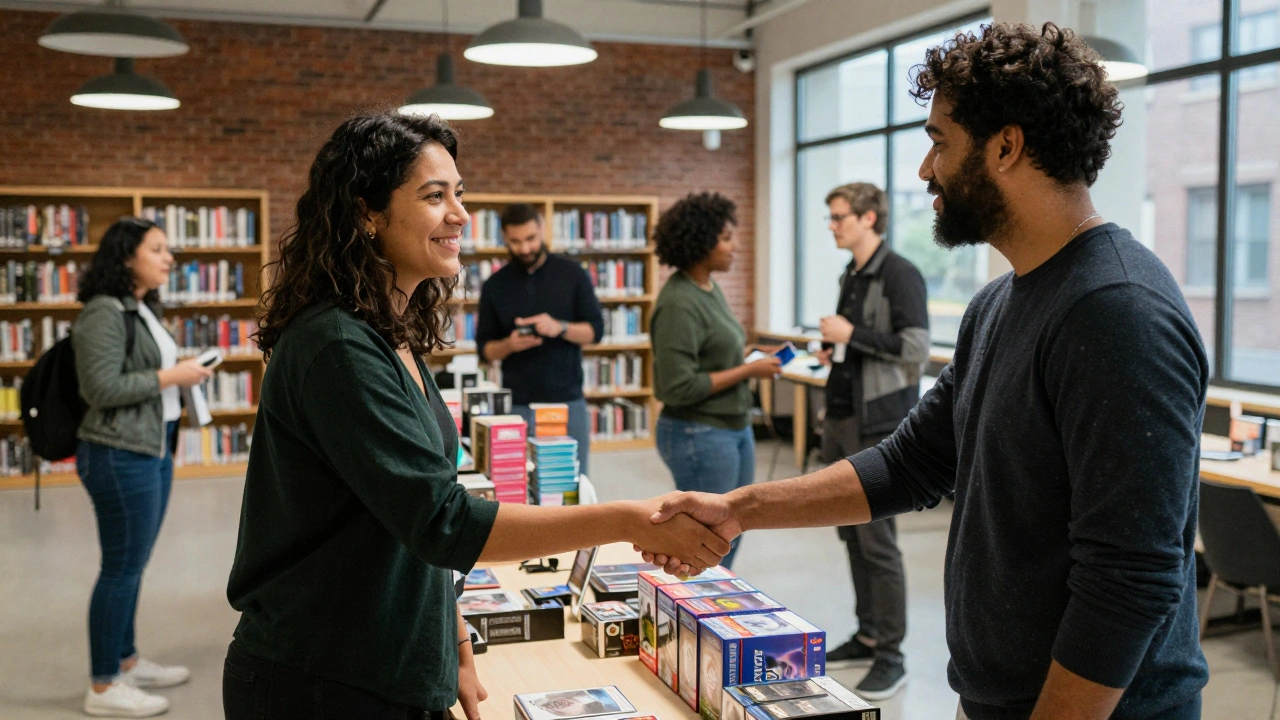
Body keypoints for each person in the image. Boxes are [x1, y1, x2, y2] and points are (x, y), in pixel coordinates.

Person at [641, 23, 1210, 720]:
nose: (923, 169)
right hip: (1000, 695)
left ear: (1007, 146)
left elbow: (1130, 582)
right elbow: (913, 463)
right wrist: (740, 510)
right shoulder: (999, 301)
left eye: (940, 141)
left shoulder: (1117, 311)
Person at [223, 111, 728, 720]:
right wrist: (629, 520)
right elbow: (442, 521)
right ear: (366, 213)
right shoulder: (337, 345)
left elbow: (402, 512)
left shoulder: (389, 331)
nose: (461, 214)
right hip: (321, 678)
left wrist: (452, 635)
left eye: (458, 193)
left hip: (384, 659)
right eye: (434, 197)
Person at [73, 217, 214, 717]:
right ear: (126, 256)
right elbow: (101, 389)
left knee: (133, 565)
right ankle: (104, 686)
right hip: (117, 454)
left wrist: (178, 373)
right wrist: (171, 374)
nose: (168, 258)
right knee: (121, 568)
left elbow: (144, 374)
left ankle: (126, 661)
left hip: (152, 450)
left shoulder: (141, 309)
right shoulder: (102, 313)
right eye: (157, 249)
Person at [815, 182, 929, 699]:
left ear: (868, 219)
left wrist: (850, 337)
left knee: (878, 543)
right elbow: (856, 345)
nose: (833, 225)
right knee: (850, 534)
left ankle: (892, 655)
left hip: (878, 425)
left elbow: (914, 349)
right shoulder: (852, 274)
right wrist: (834, 351)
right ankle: (867, 634)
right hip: (839, 419)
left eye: (839, 217)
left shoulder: (901, 274)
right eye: (832, 217)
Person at [649, 191, 781, 570]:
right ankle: (695, 618)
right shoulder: (678, 302)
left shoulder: (710, 288)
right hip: (698, 433)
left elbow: (713, 351)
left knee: (732, 531)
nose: (734, 245)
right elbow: (677, 386)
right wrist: (748, 370)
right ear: (700, 243)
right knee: (707, 544)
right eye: (725, 238)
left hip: (732, 427)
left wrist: (748, 355)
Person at [475, 203, 604, 474]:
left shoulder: (574, 275)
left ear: (542, 230)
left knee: (574, 484)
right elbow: (485, 350)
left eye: (531, 239)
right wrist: (509, 345)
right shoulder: (495, 285)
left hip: (567, 402)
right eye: (515, 241)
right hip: (517, 405)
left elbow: (596, 332)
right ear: (504, 238)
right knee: (520, 485)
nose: (524, 249)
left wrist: (560, 327)